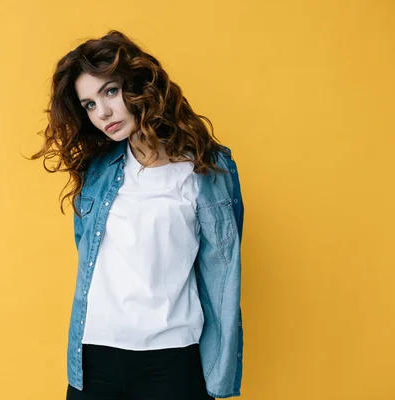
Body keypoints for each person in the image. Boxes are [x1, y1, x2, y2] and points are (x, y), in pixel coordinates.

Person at [31, 30, 245, 400]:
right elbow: (88, 254)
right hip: (96, 355)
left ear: (139, 86)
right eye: (89, 105)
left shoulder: (207, 173)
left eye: (110, 91)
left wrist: (219, 372)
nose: (103, 113)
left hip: (173, 358)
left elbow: (222, 272)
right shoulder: (95, 173)